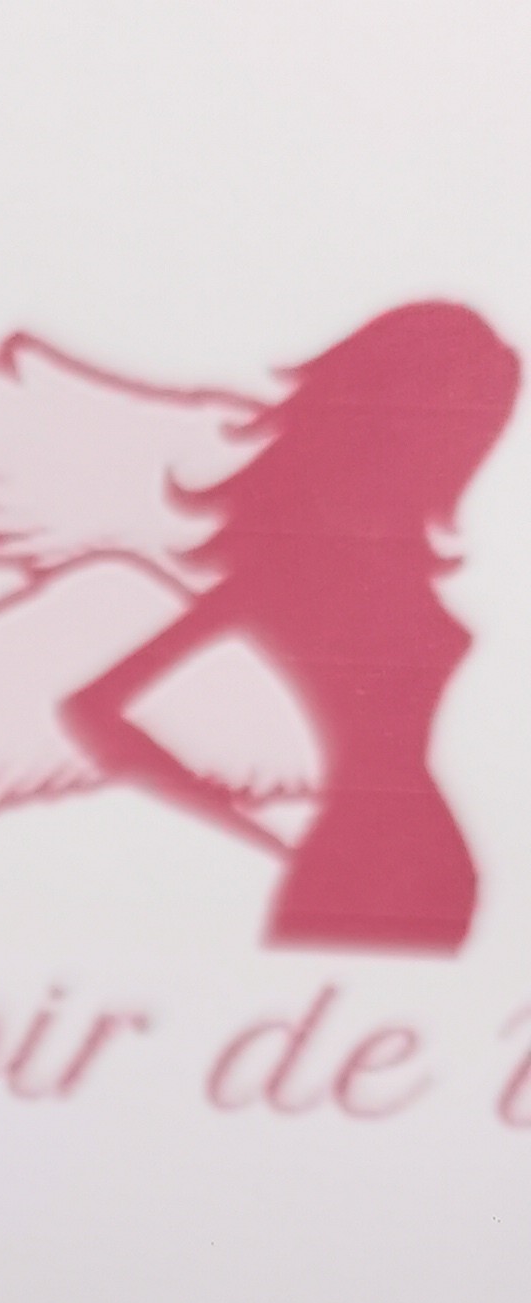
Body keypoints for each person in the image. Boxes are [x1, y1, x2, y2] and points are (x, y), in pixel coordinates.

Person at [63, 301, 519, 952]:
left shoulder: (381, 568)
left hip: (423, 860)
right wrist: (238, 821)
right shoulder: (278, 578)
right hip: (363, 857)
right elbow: (93, 708)